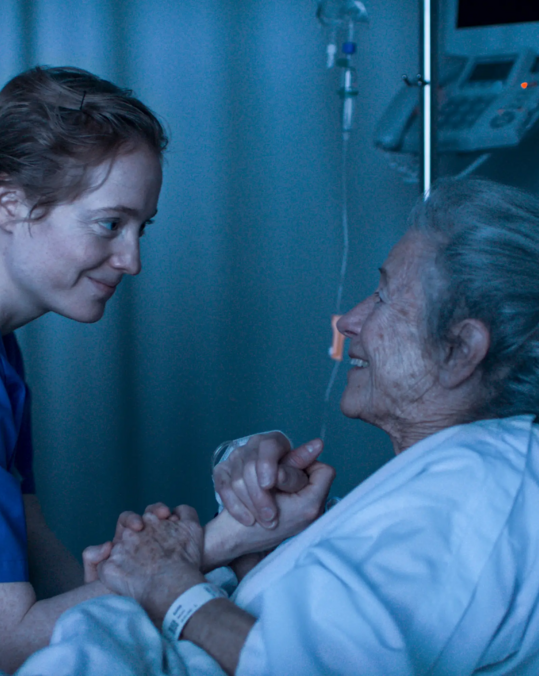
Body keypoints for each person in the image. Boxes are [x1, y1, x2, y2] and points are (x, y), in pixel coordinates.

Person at [92, 178, 539, 675]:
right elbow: (319, 630)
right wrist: (262, 540)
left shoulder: (476, 492)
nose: (348, 322)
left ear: (460, 350)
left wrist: (168, 586)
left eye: (382, 297)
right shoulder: (462, 477)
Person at [0, 65, 169, 672]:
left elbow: (30, 537)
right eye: (110, 224)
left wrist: (180, 564)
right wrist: (188, 562)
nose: (132, 260)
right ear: (11, 203)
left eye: (141, 228)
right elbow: (6, 641)